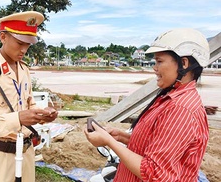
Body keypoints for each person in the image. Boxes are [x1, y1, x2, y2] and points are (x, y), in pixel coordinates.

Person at [84, 28, 210, 181]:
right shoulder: (168, 97)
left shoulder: (180, 109)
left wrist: (108, 141)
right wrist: (122, 137)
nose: (154, 68)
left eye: (159, 61)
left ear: (183, 63)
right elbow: (159, 148)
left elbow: (154, 173)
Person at [0, 11, 58, 182]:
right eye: (19, 43)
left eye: (29, 44)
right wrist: (17, 119)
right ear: (3, 37)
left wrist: (43, 114)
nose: (24, 49)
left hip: (26, 153)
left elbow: (29, 103)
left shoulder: (24, 69)